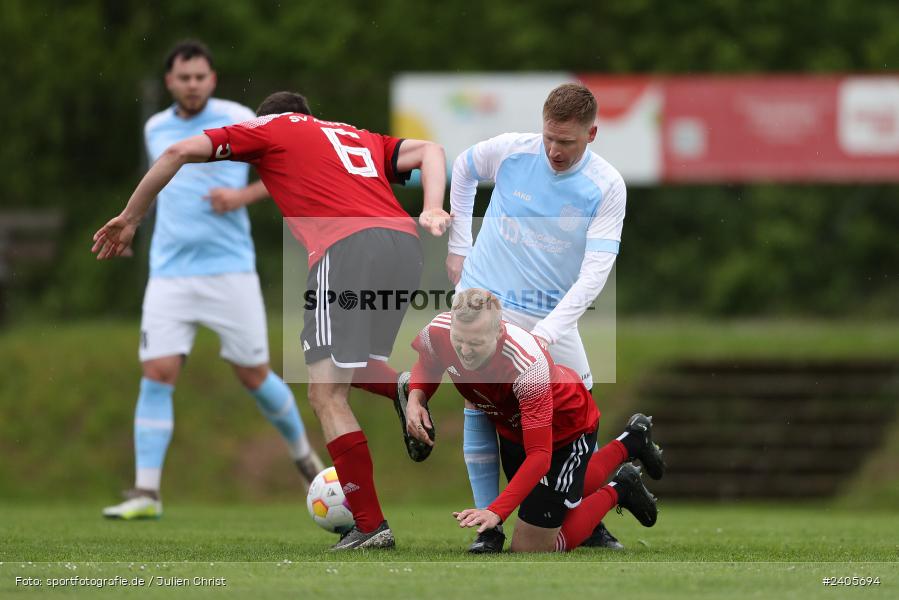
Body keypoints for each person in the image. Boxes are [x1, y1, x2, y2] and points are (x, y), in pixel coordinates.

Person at [92, 90, 452, 550]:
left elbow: (176, 151)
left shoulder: (269, 128)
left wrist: (131, 217)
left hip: (346, 246)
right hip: (404, 246)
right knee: (343, 363)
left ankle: (370, 526)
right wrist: (432, 205)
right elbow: (431, 150)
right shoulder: (352, 134)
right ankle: (400, 387)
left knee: (325, 393)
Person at [101, 41, 323, 521]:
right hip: (169, 272)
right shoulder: (155, 127)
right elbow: (162, 184)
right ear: (170, 82)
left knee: (253, 374)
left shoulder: (238, 118)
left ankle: (304, 457)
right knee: (157, 372)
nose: (193, 85)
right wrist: (130, 226)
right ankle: (146, 491)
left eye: (200, 76)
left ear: (213, 79)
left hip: (230, 270)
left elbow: (287, 167)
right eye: (184, 77)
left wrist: (242, 196)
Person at [444, 82, 627, 551]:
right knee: (480, 405)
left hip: (549, 315)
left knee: (579, 410)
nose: (553, 151)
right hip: (485, 298)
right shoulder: (512, 151)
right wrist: (459, 246)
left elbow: (594, 273)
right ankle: (488, 530)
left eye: (566, 141)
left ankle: (582, 512)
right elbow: (462, 168)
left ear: (591, 134)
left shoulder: (606, 186)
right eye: (548, 137)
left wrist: (546, 333)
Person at [403, 289, 663, 552]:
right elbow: (428, 362)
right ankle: (632, 441)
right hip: (515, 429)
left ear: (499, 332)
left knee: (529, 548)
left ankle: (620, 488)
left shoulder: (527, 366)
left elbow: (540, 456)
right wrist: (416, 397)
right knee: (554, 496)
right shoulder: (437, 331)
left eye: (476, 343)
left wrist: (495, 512)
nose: (465, 350)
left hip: (566, 430)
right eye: (458, 340)